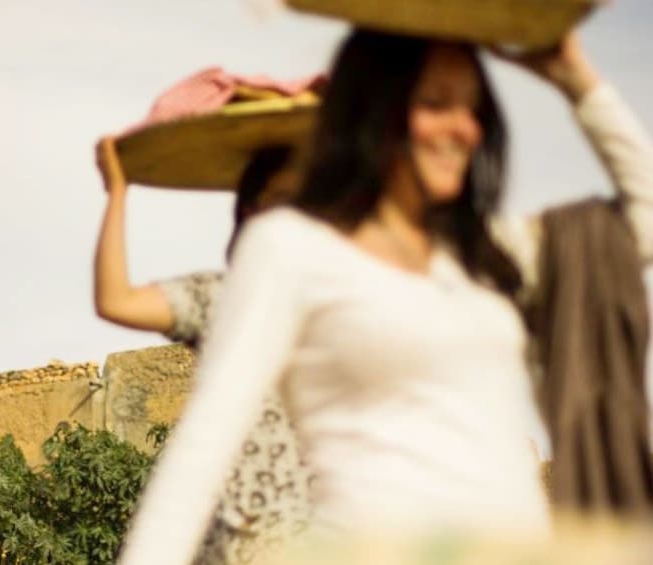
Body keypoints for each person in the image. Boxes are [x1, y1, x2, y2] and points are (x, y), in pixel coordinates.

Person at [117, 30, 653, 565]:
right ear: (375, 113)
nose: (463, 129)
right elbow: (203, 450)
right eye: (436, 104)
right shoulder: (294, 249)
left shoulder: (487, 254)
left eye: (473, 109)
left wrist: (576, 79)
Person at [95, 137, 309, 564]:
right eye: (279, 201)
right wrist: (118, 192)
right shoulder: (222, 298)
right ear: (250, 212)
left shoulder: (346, 305)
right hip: (233, 535)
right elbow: (116, 299)